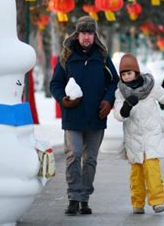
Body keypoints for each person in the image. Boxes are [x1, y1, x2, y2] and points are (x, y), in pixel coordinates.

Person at [50, 16, 119, 215]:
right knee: (74, 154)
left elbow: (114, 81)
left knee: (90, 159)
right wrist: (63, 99)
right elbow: (55, 83)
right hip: (73, 116)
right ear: (77, 34)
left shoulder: (102, 56)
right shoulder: (67, 56)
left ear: (94, 35)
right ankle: (73, 197)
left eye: (90, 33)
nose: (86, 37)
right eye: (83, 33)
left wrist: (108, 100)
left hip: (97, 116)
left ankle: (84, 198)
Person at [113, 54, 164, 215]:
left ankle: (157, 202)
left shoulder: (151, 87)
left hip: (152, 136)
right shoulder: (120, 92)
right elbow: (118, 115)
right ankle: (137, 203)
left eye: (129, 73)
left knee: (153, 171)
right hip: (133, 138)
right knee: (136, 175)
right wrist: (126, 107)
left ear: (136, 72)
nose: (126, 77)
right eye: (123, 74)